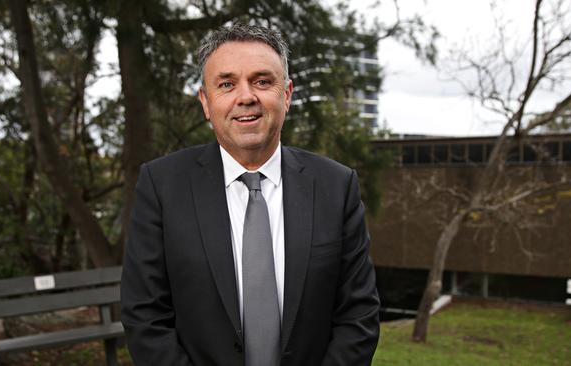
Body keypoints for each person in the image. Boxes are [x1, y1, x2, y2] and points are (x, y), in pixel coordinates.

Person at [121, 23, 380, 366]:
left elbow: (358, 316)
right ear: (206, 102)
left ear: (286, 94)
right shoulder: (161, 185)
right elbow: (145, 316)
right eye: (227, 84)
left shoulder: (336, 186)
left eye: (262, 81)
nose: (246, 96)